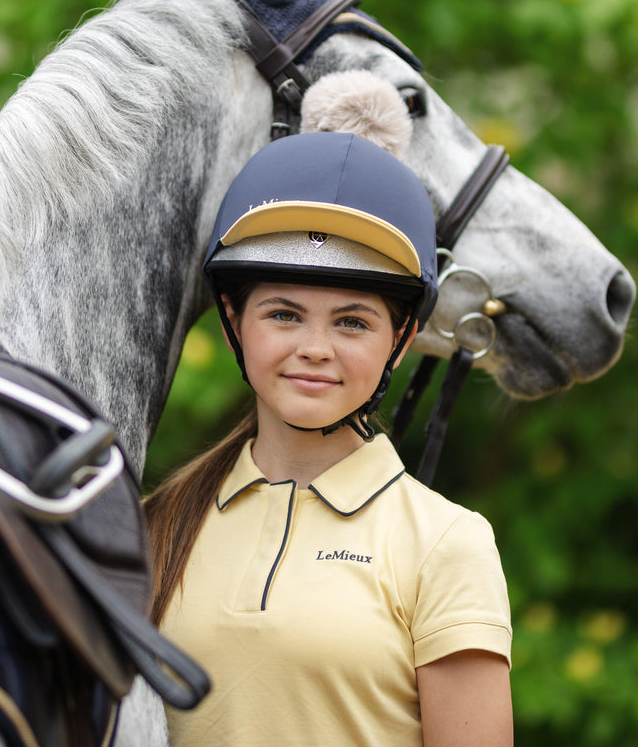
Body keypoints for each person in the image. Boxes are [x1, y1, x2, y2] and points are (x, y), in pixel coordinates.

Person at [144, 130, 512, 747]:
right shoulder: (156, 523)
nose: (315, 349)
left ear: (402, 338)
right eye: (284, 314)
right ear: (234, 321)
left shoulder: (448, 545)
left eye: (352, 322)